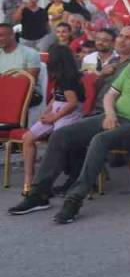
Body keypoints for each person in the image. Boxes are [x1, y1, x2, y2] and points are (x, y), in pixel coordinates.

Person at [8, 26, 130, 222]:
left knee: (99, 141)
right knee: (61, 135)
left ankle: (74, 199)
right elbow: (110, 95)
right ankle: (38, 194)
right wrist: (109, 114)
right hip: (110, 115)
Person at [17, 44, 83, 195]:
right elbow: (56, 97)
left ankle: (46, 182)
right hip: (56, 113)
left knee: (56, 141)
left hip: (68, 115)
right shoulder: (59, 78)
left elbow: (72, 103)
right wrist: (47, 111)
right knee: (28, 138)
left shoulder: (69, 79)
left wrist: (55, 116)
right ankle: (29, 179)